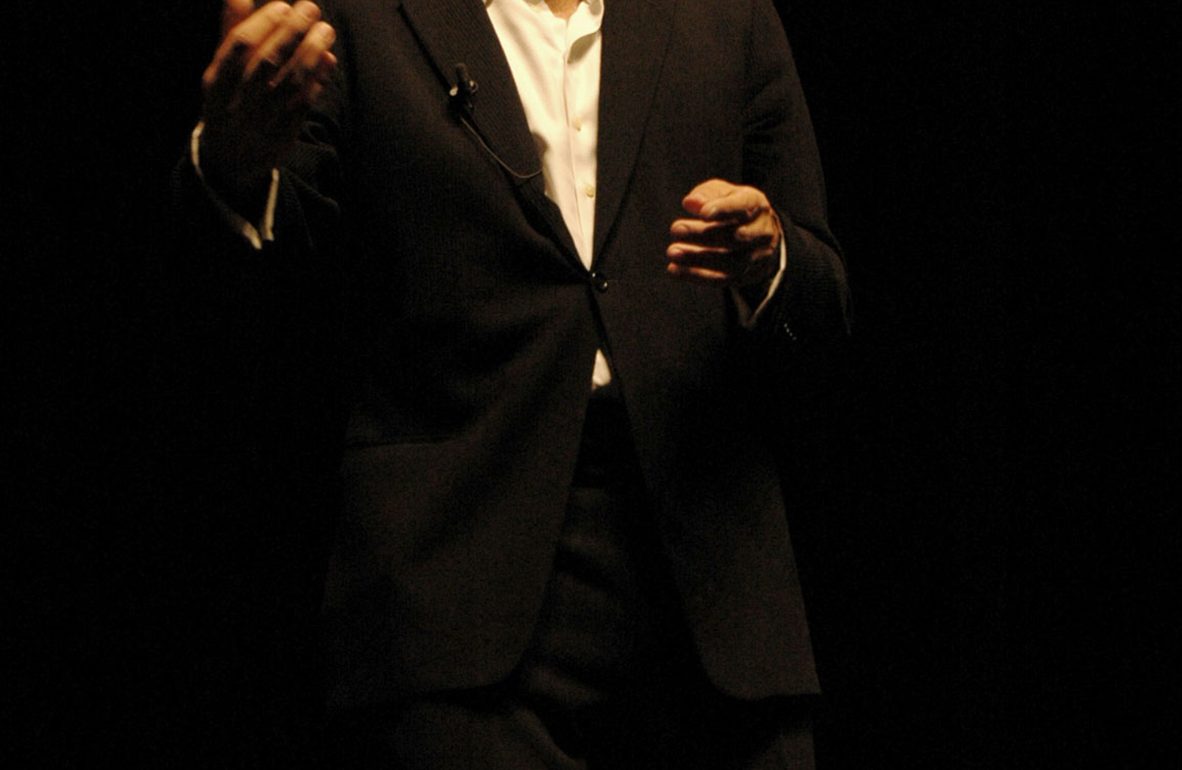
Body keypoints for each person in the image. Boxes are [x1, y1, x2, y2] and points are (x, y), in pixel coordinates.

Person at [171, 0, 849, 766]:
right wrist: (230, 164)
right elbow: (256, 314)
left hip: (717, 586)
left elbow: (825, 304)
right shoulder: (353, 18)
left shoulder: (728, 15)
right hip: (459, 588)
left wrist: (771, 258)